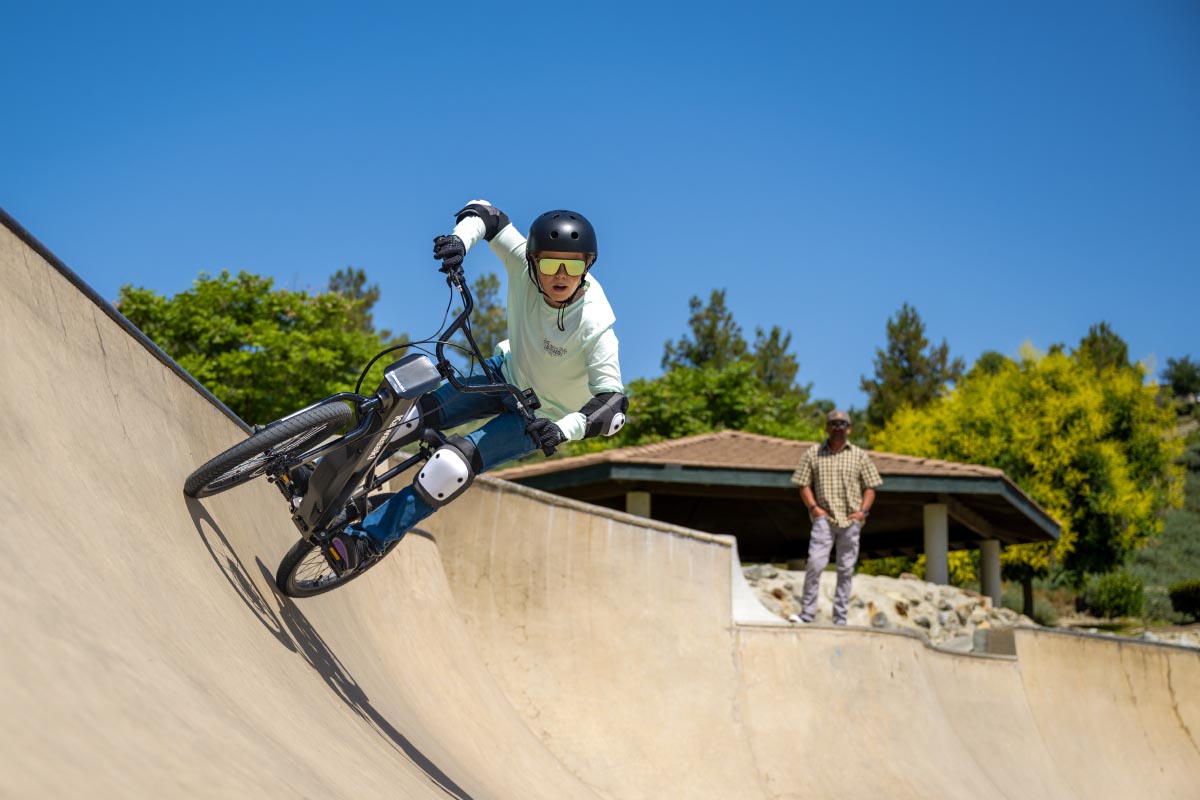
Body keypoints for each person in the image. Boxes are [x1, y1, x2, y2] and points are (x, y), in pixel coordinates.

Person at [326, 200, 628, 573]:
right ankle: (323, 480)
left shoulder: (597, 323)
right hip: (504, 375)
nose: (561, 274)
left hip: (538, 418)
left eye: (574, 264)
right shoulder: (522, 262)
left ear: (588, 265)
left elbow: (612, 405)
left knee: (450, 466)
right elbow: (486, 213)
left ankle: (367, 541)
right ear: (533, 261)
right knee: (403, 416)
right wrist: (459, 240)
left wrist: (563, 429)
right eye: (550, 263)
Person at [787, 410, 882, 625]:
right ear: (826, 427)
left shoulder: (859, 455)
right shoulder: (813, 453)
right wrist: (814, 508)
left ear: (849, 428)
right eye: (833, 423)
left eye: (842, 423)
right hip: (824, 519)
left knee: (846, 570)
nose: (838, 427)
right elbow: (803, 484)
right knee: (814, 564)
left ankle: (840, 618)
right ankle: (806, 615)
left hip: (851, 521)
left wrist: (862, 513)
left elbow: (870, 487)